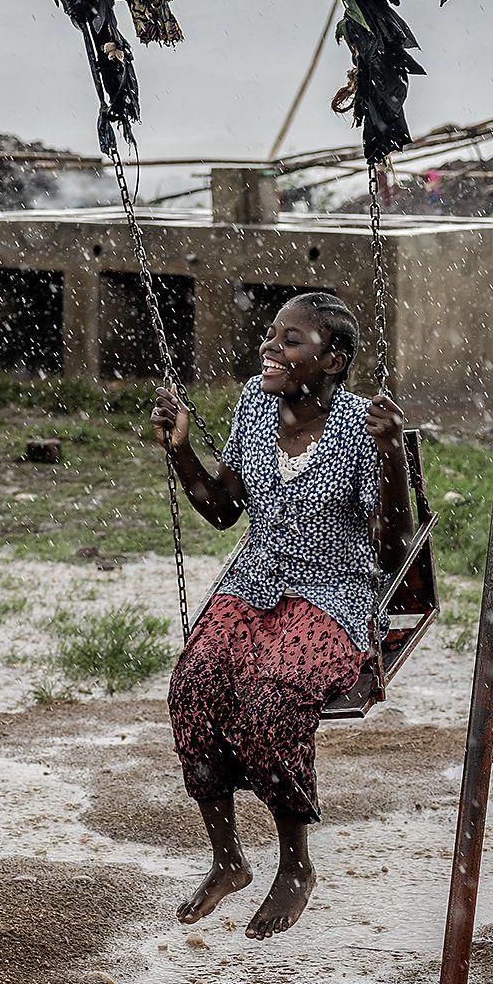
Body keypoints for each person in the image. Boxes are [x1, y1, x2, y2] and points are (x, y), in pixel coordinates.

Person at [151, 290, 414, 939]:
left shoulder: (362, 428)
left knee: (272, 700)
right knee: (194, 686)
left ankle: (296, 865)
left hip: (332, 590)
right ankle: (227, 859)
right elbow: (222, 510)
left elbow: (392, 548)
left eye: (290, 340)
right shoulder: (254, 403)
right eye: (271, 335)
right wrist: (181, 449)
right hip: (256, 580)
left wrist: (390, 458)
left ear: (334, 359)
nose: (270, 348)